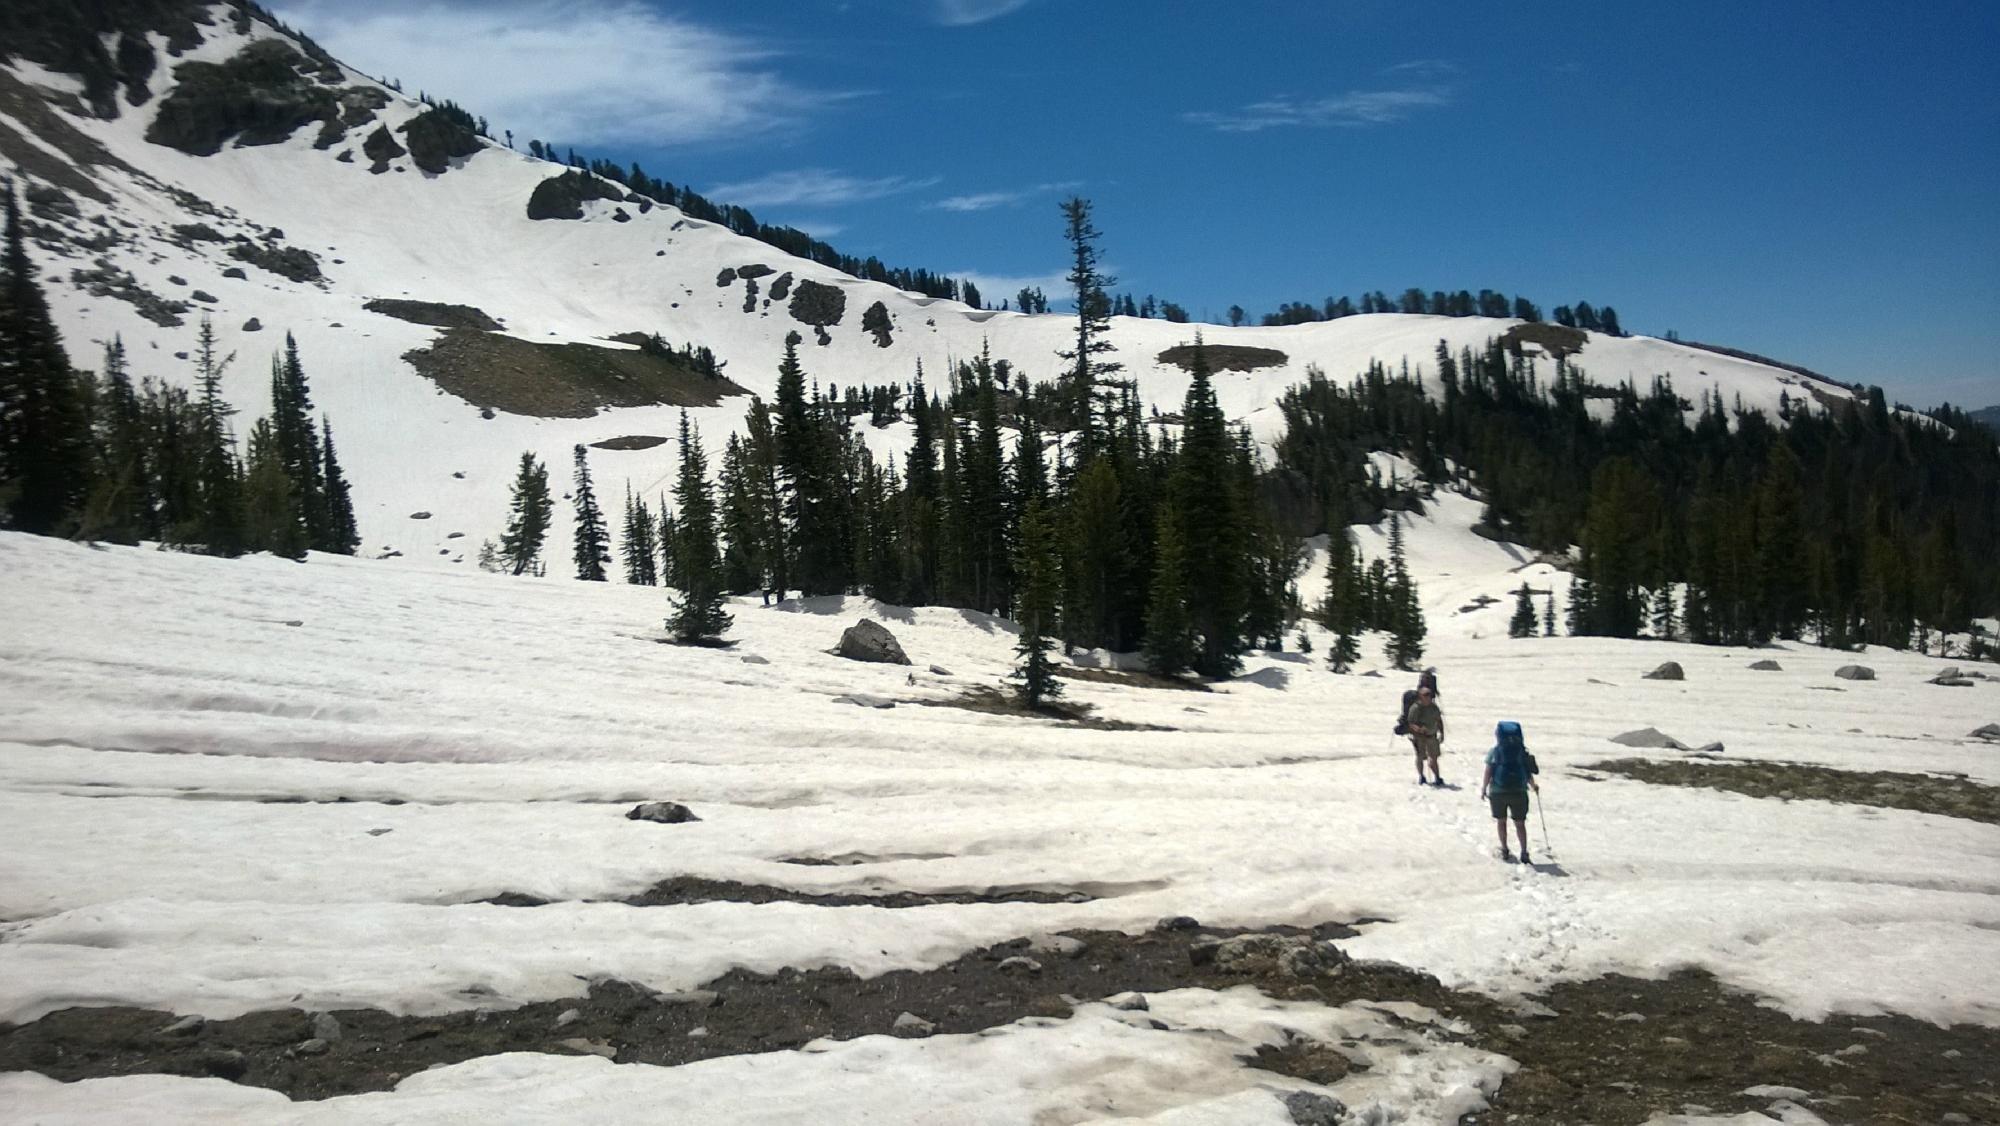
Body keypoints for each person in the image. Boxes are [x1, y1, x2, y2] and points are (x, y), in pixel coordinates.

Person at [1481, 720, 1540, 863]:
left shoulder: (1495, 751)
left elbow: (1489, 770)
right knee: (1520, 823)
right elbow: (1527, 771)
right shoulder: (1521, 752)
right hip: (1519, 791)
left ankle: (1505, 849)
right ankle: (1524, 852)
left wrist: (1484, 788)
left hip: (1498, 791)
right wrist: (1533, 785)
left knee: (1501, 821)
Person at [1405, 683, 1445, 785]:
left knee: (1434, 758)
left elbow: (1438, 720)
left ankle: (1437, 777)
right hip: (1419, 738)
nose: (1428, 697)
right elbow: (1411, 723)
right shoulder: (1415, 708)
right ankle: (1421, 776)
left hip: (1432, 736)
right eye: (1425, 695)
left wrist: (1442, 732)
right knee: (1420, 757)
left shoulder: (1434, 707)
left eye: (1429, 694)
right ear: (1420, 696)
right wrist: (1419, 729)